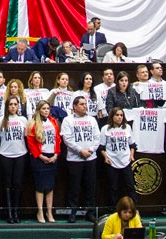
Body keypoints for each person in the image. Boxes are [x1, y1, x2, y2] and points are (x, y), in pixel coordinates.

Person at [61, 95, 101, 223]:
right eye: (82, 104)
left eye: (85, 104)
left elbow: (97, 137)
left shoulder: (92, 120)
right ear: (75, 106)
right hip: (74, 159)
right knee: (74, 187)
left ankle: (90, 212)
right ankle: (73, 212)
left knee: (90, 186)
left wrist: (90, 150)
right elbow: (67, 139)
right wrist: (80, 150)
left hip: (90, 158)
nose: (85, 106)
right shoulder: (68, 120)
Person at [0, 95, 28, 222]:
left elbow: (26, 137)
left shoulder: (23, 120)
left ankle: (16, 211)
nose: (13, 107)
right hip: (5, 155)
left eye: (15, 104)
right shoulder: (0, 120)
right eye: (10, 104)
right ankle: (8, 212)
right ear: (7, 106)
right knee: (7, 184)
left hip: (20, 154)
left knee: (18, 184)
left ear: (18, 106)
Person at [26, 100, 60, 223]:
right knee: (40, 186)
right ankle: (40, 211)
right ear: (39, 110)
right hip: (39, 158)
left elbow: (57, 139)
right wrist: (40, 156)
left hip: (52, 156)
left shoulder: (53, 122)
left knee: (50, 186)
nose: (46, 111)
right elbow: (31, 143)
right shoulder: (33, 123)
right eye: (44, 108)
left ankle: (49, 212)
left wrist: (56, 154)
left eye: (48, 108)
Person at [99, 107, 137, 206]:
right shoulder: (105, 129)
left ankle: (135, 210)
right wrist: (106, 157)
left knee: (130, 187)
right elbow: (101, 147)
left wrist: (131, 155)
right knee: (113, 188)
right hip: (112, 162)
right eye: (117, 115)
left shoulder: (127, 127)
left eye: (121, 115)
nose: (119, 117)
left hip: (126, 160)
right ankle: (113, 210)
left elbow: (132, 144)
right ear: (112, 116)